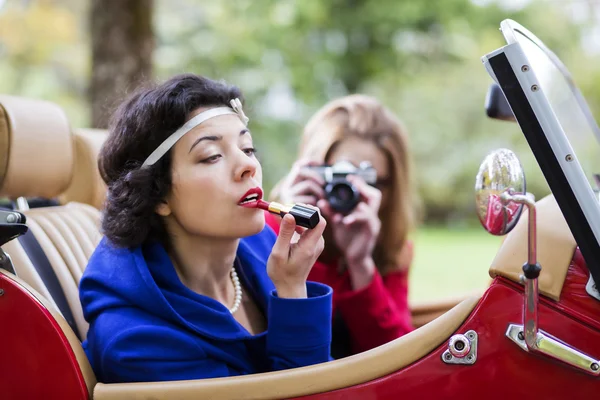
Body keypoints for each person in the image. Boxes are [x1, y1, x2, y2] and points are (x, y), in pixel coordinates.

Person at [79, 74, 331, 383]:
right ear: (156, 194)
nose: (248, 166)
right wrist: (292, 292)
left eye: (248, 148)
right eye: (212, 156)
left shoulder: (261, 243)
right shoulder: (136, 343)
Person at [267, 94, 417, 358]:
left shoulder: (391, 248)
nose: (350, 192)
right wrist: (295, 226)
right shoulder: (265, 232)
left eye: (370, 181)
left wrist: (361, 265)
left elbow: (397, 358)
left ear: (393, 187)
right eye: (337, 176)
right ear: (309, 170)